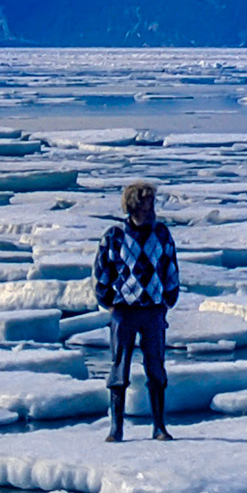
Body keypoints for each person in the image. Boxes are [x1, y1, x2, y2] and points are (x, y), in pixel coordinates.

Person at [92, 180, 179, 442]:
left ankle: (159, 427)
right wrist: (107, 300)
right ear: (132, 205)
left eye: (151, 201)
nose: (150, 207)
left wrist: (169, 298)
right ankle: (116, 428)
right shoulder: (114, 236)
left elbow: (170, 267)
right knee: (120, 368)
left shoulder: (162, 234)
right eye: (145, 202)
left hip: (153, 310)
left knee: (156, 368)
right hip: (123, 311)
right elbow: (102, 270)